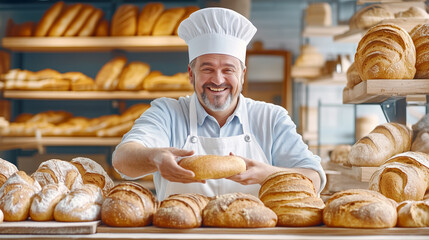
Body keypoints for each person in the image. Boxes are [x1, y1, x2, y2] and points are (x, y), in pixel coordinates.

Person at [112, 7, 326, 201]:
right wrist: (154, 157)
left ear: (242, 75)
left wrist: (267, 174)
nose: (217, 80)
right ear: (190, 74)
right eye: (207, 69)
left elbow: (314, 178)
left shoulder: (270, 117)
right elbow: (122, 160)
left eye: (228, 70)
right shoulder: (168, 112)